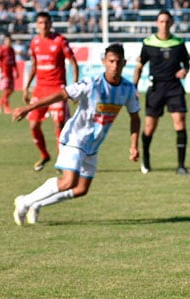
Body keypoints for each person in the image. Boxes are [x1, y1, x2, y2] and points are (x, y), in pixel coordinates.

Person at [12, 43, 140, 226]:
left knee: (81, 189)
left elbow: (135, 117)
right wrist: (28, 108)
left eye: (118, 62)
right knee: (68, 181)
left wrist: (134, 145)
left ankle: (37, 204)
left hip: (93, 145)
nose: (114, 66)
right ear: (104, 62)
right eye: (111, 61)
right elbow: (61, 95)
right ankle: (24, 201)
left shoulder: (127, 89)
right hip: (75, 138)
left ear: (124, 63)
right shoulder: (91, 84)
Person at [132, 9, 190, 175]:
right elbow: (139, 66)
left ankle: (181, 165)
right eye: (161, 21)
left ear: (171, 23)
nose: (164, 24)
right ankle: (146, 158)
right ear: (157, 23)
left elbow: (186, 64)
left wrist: (184, 71)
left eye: (167, 21)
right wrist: (134, 87)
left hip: (174, 87)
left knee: (180, 121)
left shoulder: (178, 43)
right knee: (150, 127)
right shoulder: (148, 43)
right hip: (156, 88)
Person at [23, 11, 80, 172]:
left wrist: (74, 87)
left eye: (46, 23)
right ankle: (44, 155)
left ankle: (62, 160)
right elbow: (34, 65)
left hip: (57, 89)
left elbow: (73, 63)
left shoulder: (60, 41)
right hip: (40, 89)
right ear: (37, 25)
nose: (44, 26)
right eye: (40, 23)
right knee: (33, 124)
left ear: (51, 24)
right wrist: (26, 87)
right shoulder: (34, 42)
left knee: (59, 124)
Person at [0, 33, 19, 114]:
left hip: (10, 73)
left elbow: (14, 62)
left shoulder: (12, 50)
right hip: (4, 72)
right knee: (7, 90)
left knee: (11, 90)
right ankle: (6, 108)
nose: (8, 42)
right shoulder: (1, 50)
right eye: (7, 41)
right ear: (5, 41)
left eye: (10, 41)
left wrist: (16, 71)